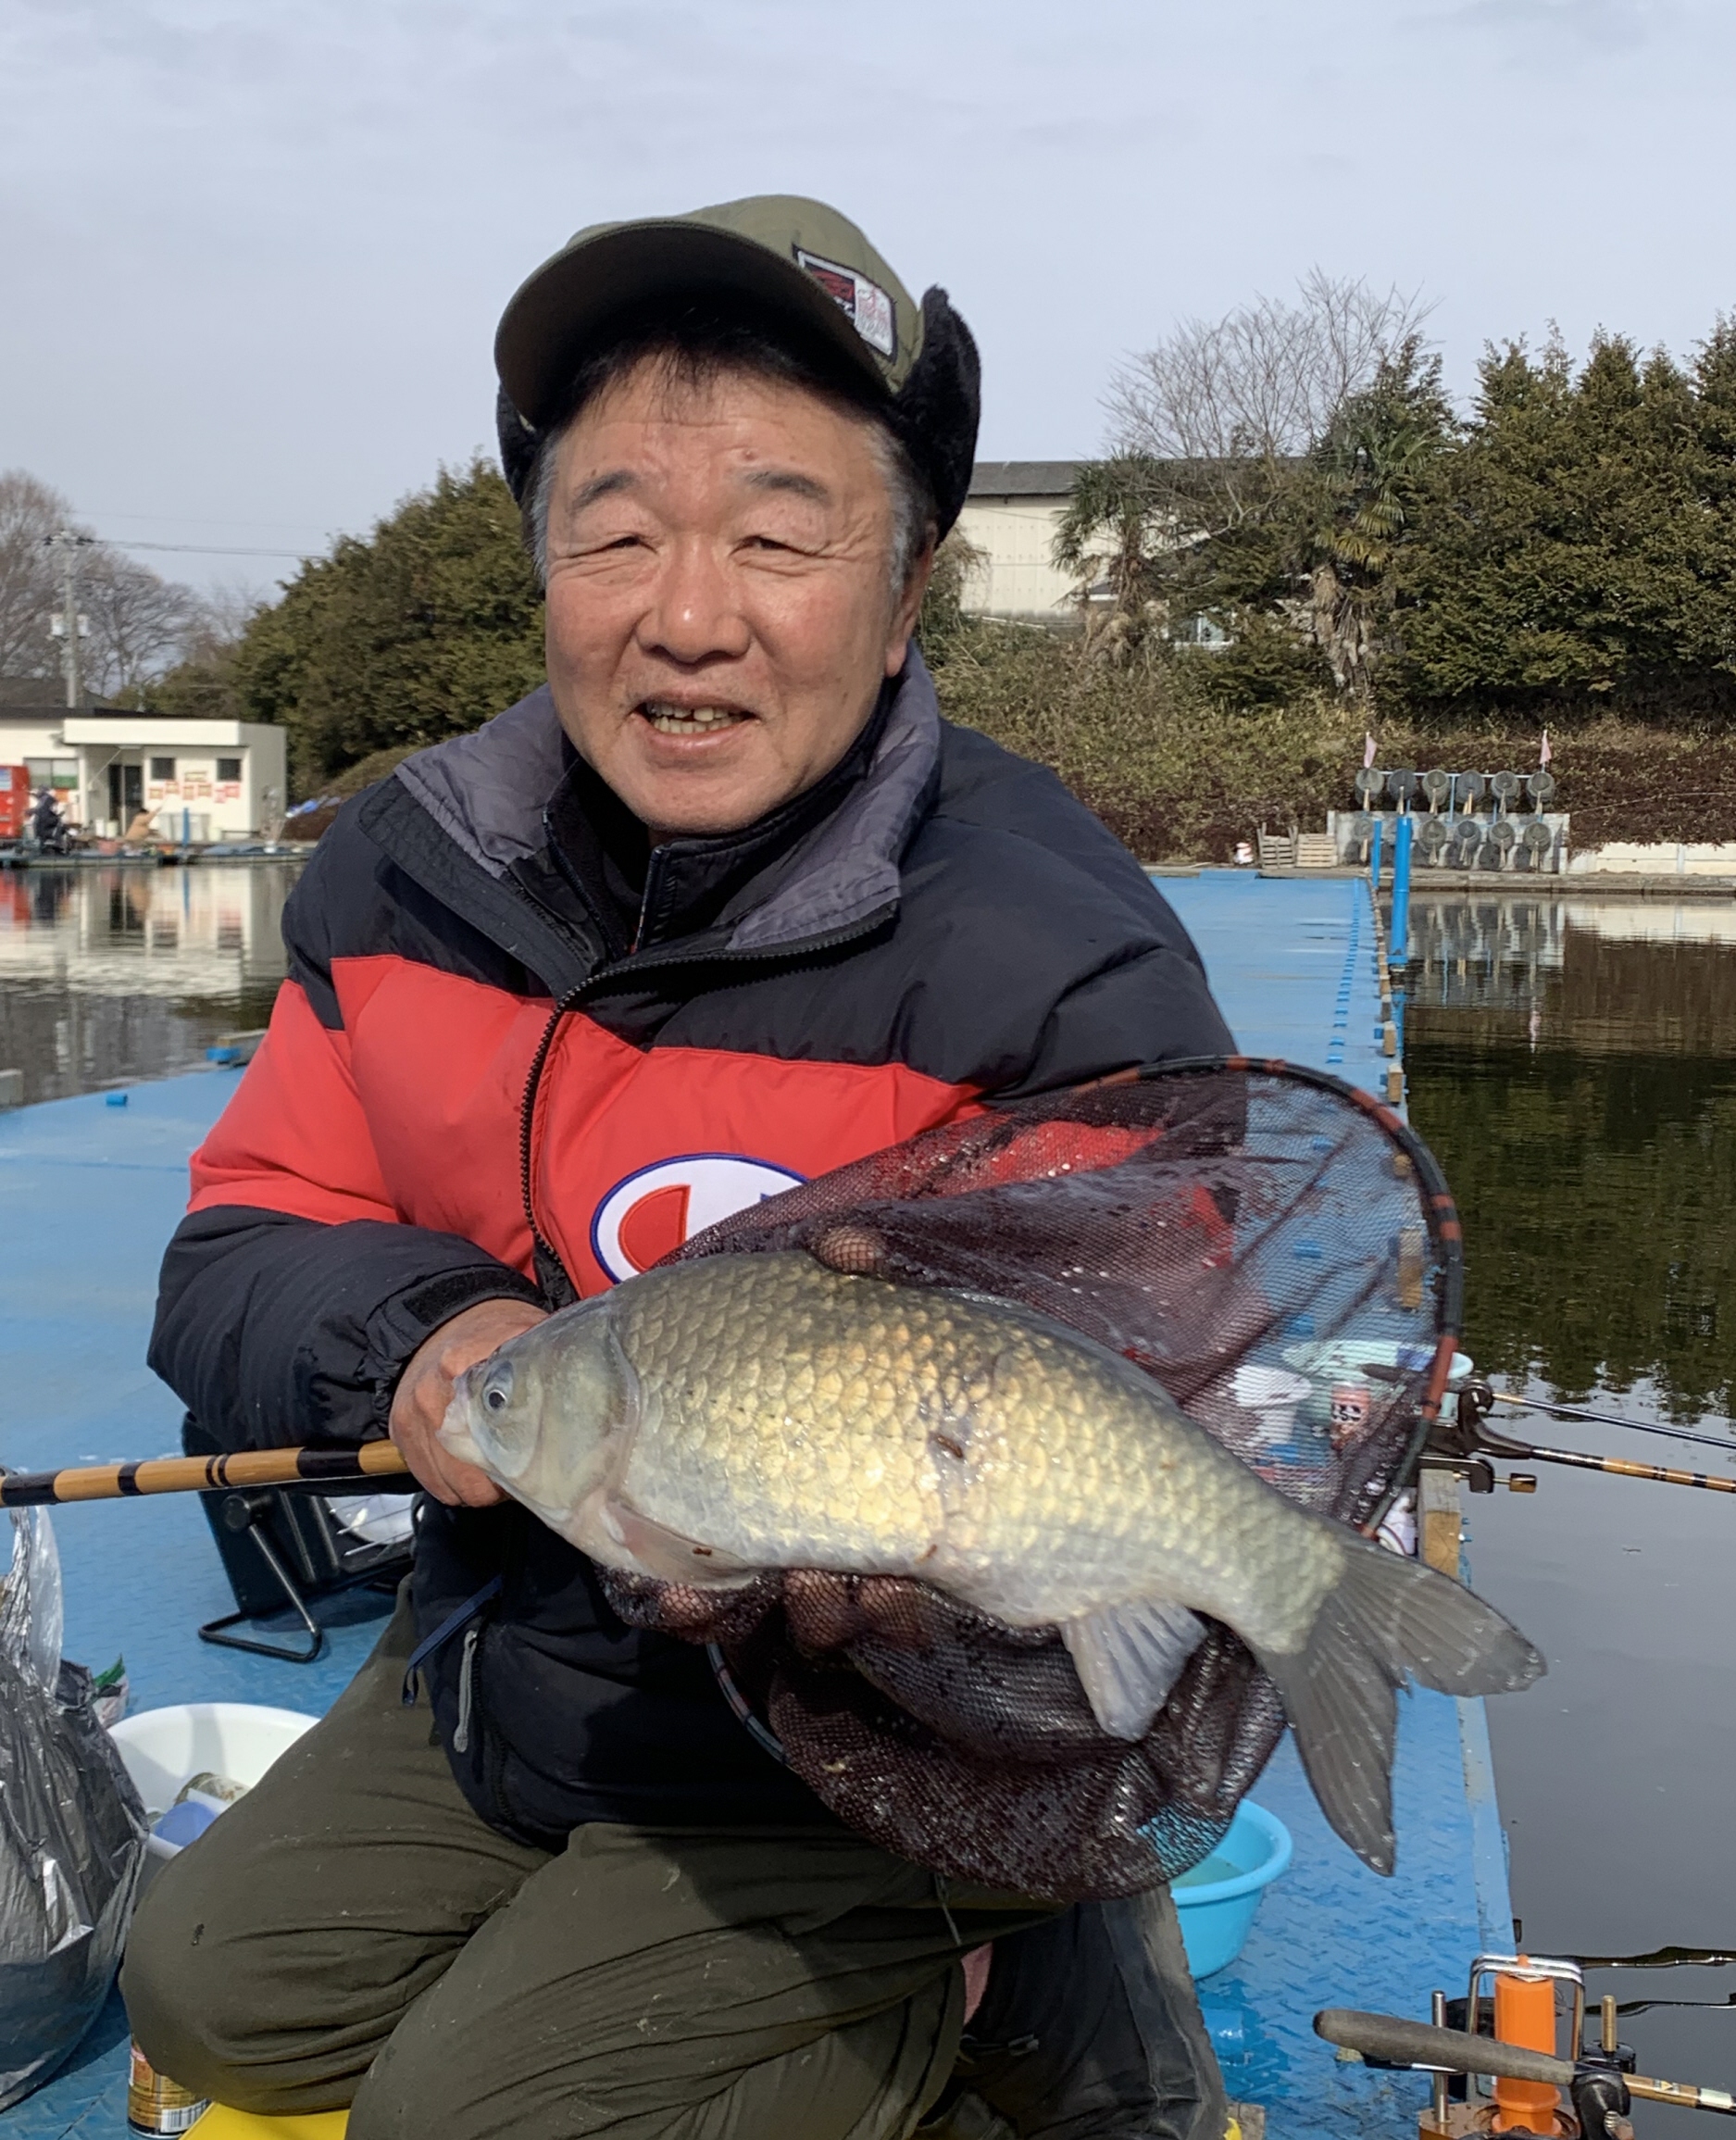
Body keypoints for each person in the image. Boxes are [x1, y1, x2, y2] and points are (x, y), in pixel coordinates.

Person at [123, 196, 1238, 2140]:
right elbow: (233, 1247)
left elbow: (1136, 1412)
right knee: (204, 1994)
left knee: (466, 2115)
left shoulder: (1062, 962)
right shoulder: (402, 874)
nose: (687, 610)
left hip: (880, 1755)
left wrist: (948, 1618)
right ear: (544, 567)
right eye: (616, 531)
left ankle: (982, 1954)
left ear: (901, 596)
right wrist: (416, 1330)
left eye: (778, 538)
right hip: (521, 1640)